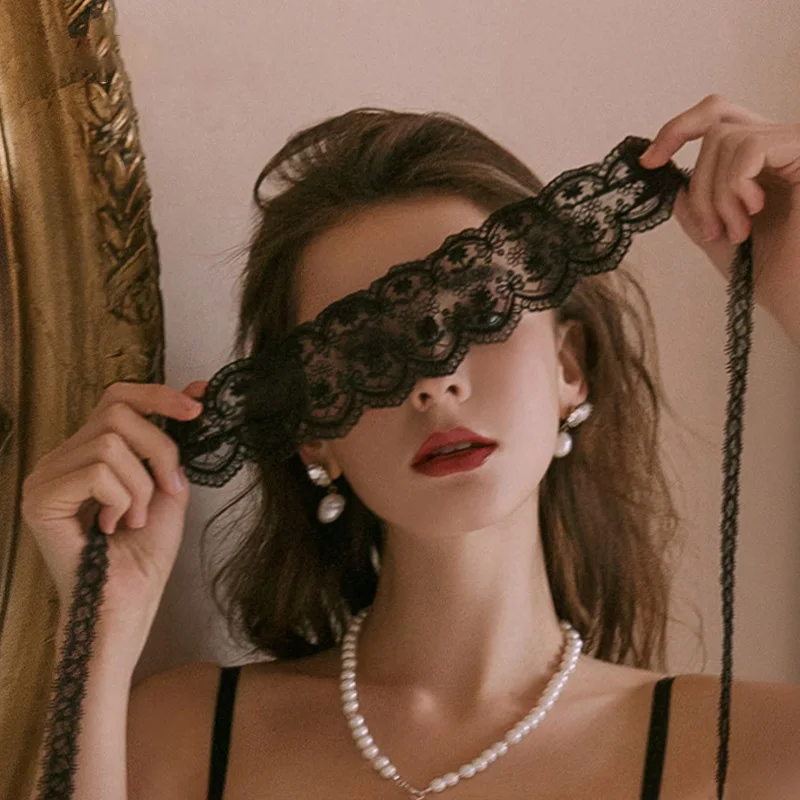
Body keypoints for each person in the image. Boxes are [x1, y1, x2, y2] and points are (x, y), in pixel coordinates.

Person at [22, 93, 800, 799]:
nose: (435, 383)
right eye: (369, 353)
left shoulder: (751, 751)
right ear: (312, 432)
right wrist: (101, 621)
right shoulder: (178, 738)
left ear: (569, 369)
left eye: (480, 314)